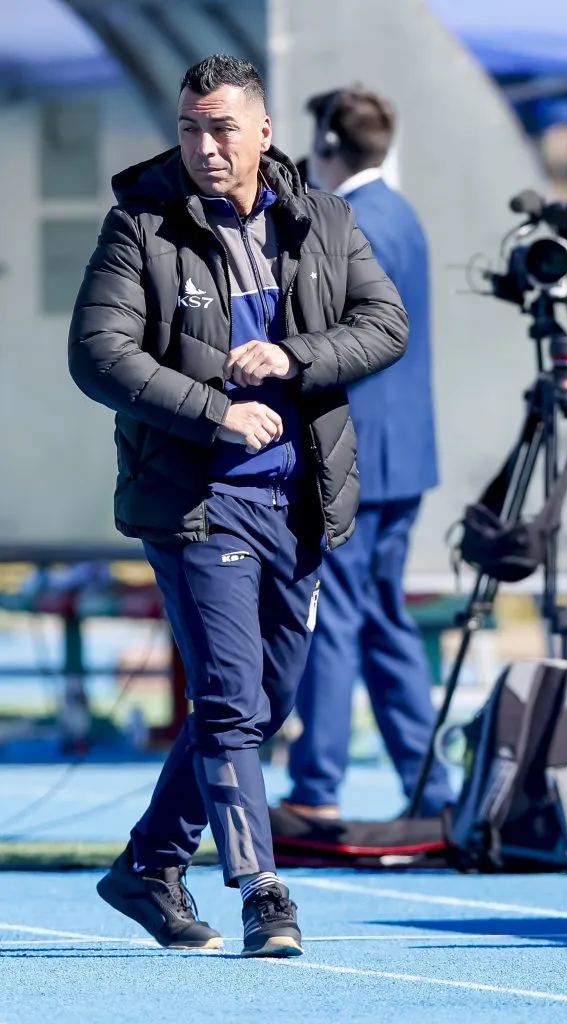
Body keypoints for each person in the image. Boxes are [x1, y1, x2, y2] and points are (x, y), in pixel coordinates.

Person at [67, 55, 408, 958]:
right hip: (196, 502)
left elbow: (386, 324)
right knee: (226, 700)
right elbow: (98, 354)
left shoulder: (326, 219)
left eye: (222, 128)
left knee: (266, 701)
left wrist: (294, 358)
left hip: (297, 504)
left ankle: (148, 864)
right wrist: (217, 402)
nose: (205, 146)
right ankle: (263, 886)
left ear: (262, 131)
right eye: (190, 128)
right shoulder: (138, 226)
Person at [283, 87, 453, 819]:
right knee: (384, 617)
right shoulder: (402, 213)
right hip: (403, 452)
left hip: (356, 451)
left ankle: (317, 787)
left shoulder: (347, 221)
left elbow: (343, 336)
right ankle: (428, 785)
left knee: (334, 614)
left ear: (325, 142)